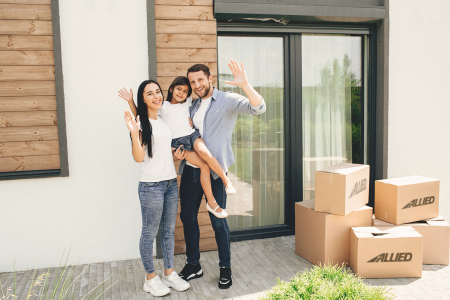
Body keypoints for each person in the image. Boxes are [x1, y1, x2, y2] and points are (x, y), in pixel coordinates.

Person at [173, 61, 266, 289]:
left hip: (215, 174)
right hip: (190, 171)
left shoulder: (227, 100)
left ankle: (225, 267)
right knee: (187, 218)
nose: (196, 85)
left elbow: (258, 108)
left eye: (200, 80)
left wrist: (245, 84)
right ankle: (194, 264)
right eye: (192, 81)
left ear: (210, 78)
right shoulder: (192, 106)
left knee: (218, 222)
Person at [119, 76, 235, 218]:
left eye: (185, 91)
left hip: (192, 134)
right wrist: (131, 101)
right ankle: (212, 203)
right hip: (180, 143)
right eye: (179, 89)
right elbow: (141, 115)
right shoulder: (163, 106)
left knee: (205, 153)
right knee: (204, 166)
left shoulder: (188, 102)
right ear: (171, 89)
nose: (181, 93)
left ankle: (226, 181)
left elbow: (204, 103)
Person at [122, 80, 190, 297]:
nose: (156, 96)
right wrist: (133, 133)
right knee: (149, 233)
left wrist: (174, 155)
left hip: (170, 182)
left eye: (158, 92)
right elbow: (138, 157)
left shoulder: (161, 119)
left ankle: (169, 273)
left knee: (169, 232)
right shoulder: (140, 123)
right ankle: (150, 278)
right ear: (144, 99)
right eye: (150, 94)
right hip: (151, 186)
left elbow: (159, 150)